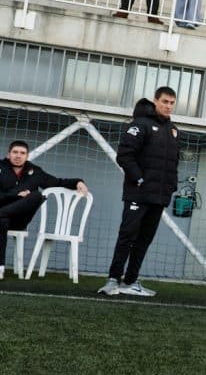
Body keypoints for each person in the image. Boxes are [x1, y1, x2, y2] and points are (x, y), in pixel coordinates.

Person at [99, 87, 183, 297]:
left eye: (172, 103)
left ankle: (130, 281)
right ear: (156, 101)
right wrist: (140, 179)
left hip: (159, 196)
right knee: (127, 235)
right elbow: (125, 156)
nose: (168, 106)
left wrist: (171, 186)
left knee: (145, 239)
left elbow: (173, 163)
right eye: (165, 101)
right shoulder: (140, 124)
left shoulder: (173, 130)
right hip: (138, 194)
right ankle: (112, 280)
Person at [0, 140, 89, 280]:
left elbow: (57, 182)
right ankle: (0, 268)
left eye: (22, 153)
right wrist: (14, 195)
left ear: (27, 156)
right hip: (3, 217)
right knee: (2, 220)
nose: (18, 156)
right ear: (8, 154)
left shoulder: (35, 172)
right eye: (15, 152)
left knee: (36, 195)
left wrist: (78, 181)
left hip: (19, 219)